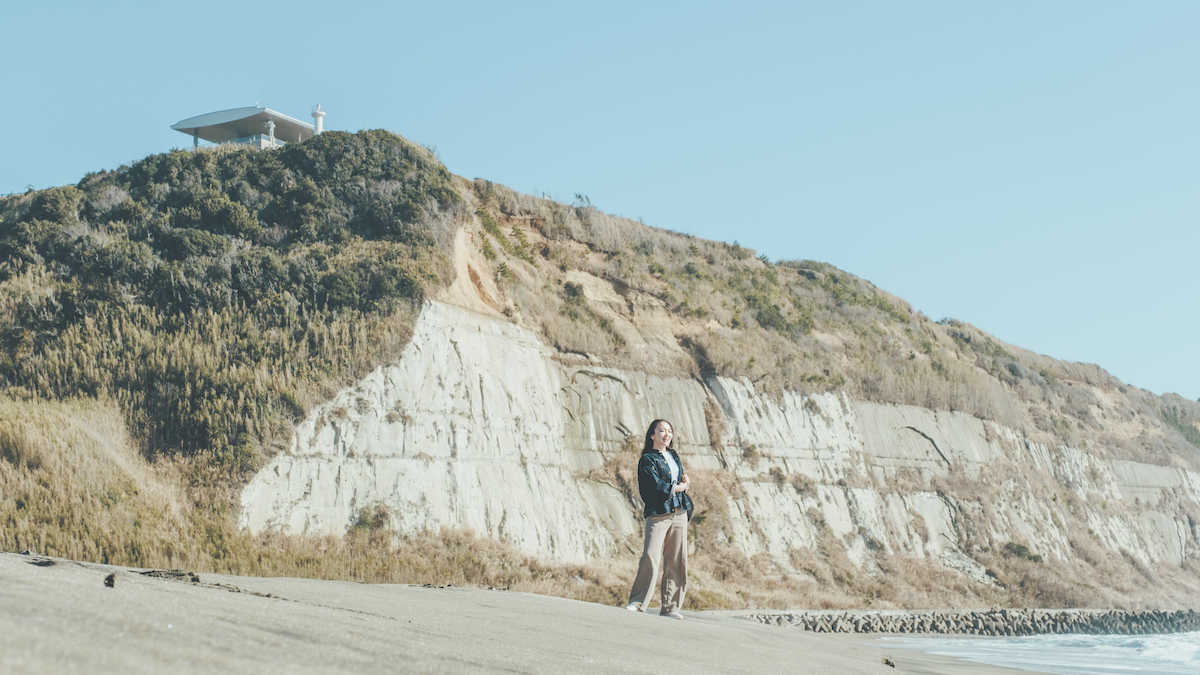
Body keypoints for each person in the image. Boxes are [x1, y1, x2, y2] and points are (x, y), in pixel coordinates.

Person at [625, 418, 693, 619]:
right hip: (659, 513)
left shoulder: (673, 455)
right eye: (662, 430)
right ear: (652, 435)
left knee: (677, 560)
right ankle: (637, 603)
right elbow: (653, 486)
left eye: (669, 431)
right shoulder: (647, 459)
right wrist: (678, 488)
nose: (667, 434)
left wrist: (684, 482)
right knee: (650, 556)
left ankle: (671, 608)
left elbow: (679, 478)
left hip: (679, 511)